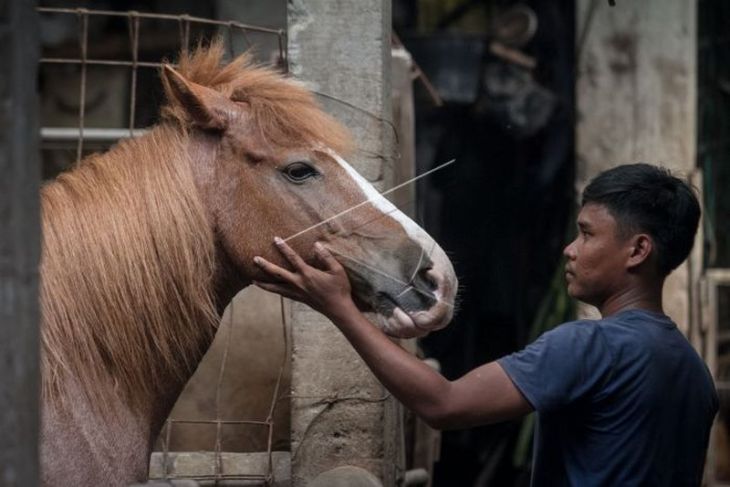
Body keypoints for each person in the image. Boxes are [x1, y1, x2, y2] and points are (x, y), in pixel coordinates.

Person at [253, 163, 718, 486]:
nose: (570, 250)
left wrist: (339, 307)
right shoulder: (695, 374)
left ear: (638, 251)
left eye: (587, 233)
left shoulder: (590, 345)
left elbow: (444, 404)